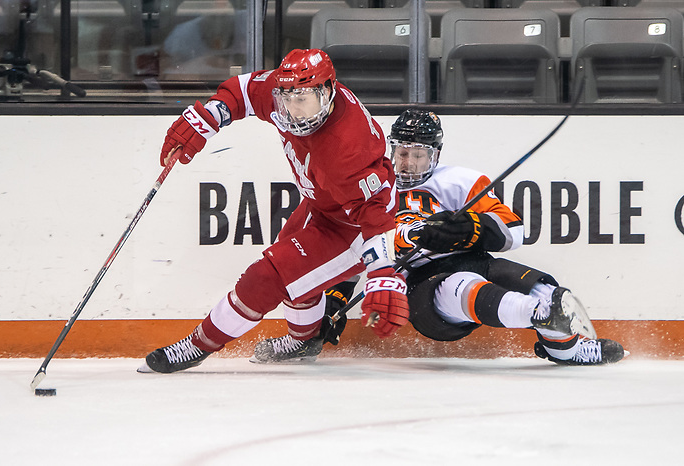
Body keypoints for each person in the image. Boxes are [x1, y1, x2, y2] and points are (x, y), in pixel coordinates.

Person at [252, 109, 626, 366]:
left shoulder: (459, 181)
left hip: (474, 261)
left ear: (436, 154)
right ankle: (539, 316)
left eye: (418, 155)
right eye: (401, 153)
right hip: (420, 287)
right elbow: (348, 255)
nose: (408, 163)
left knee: (544, 288)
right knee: (464, 286)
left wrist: (470, 228)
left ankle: (566, 349)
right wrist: (333, 303)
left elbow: (515, 232)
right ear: (389, 149)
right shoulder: (369, 188)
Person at [139, 49, 410, 373]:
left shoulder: (347, 145)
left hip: (351, 227)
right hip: (322, 205)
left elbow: (374, 215)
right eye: (287, 99)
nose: (293, 110)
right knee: (294, 274)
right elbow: (244, 91)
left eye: (302, 99)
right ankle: (304, 341)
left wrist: (382, 274)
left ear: (327, 91)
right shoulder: (288, 92)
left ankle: (197, 346)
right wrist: (205, 119)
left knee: (265, 278)